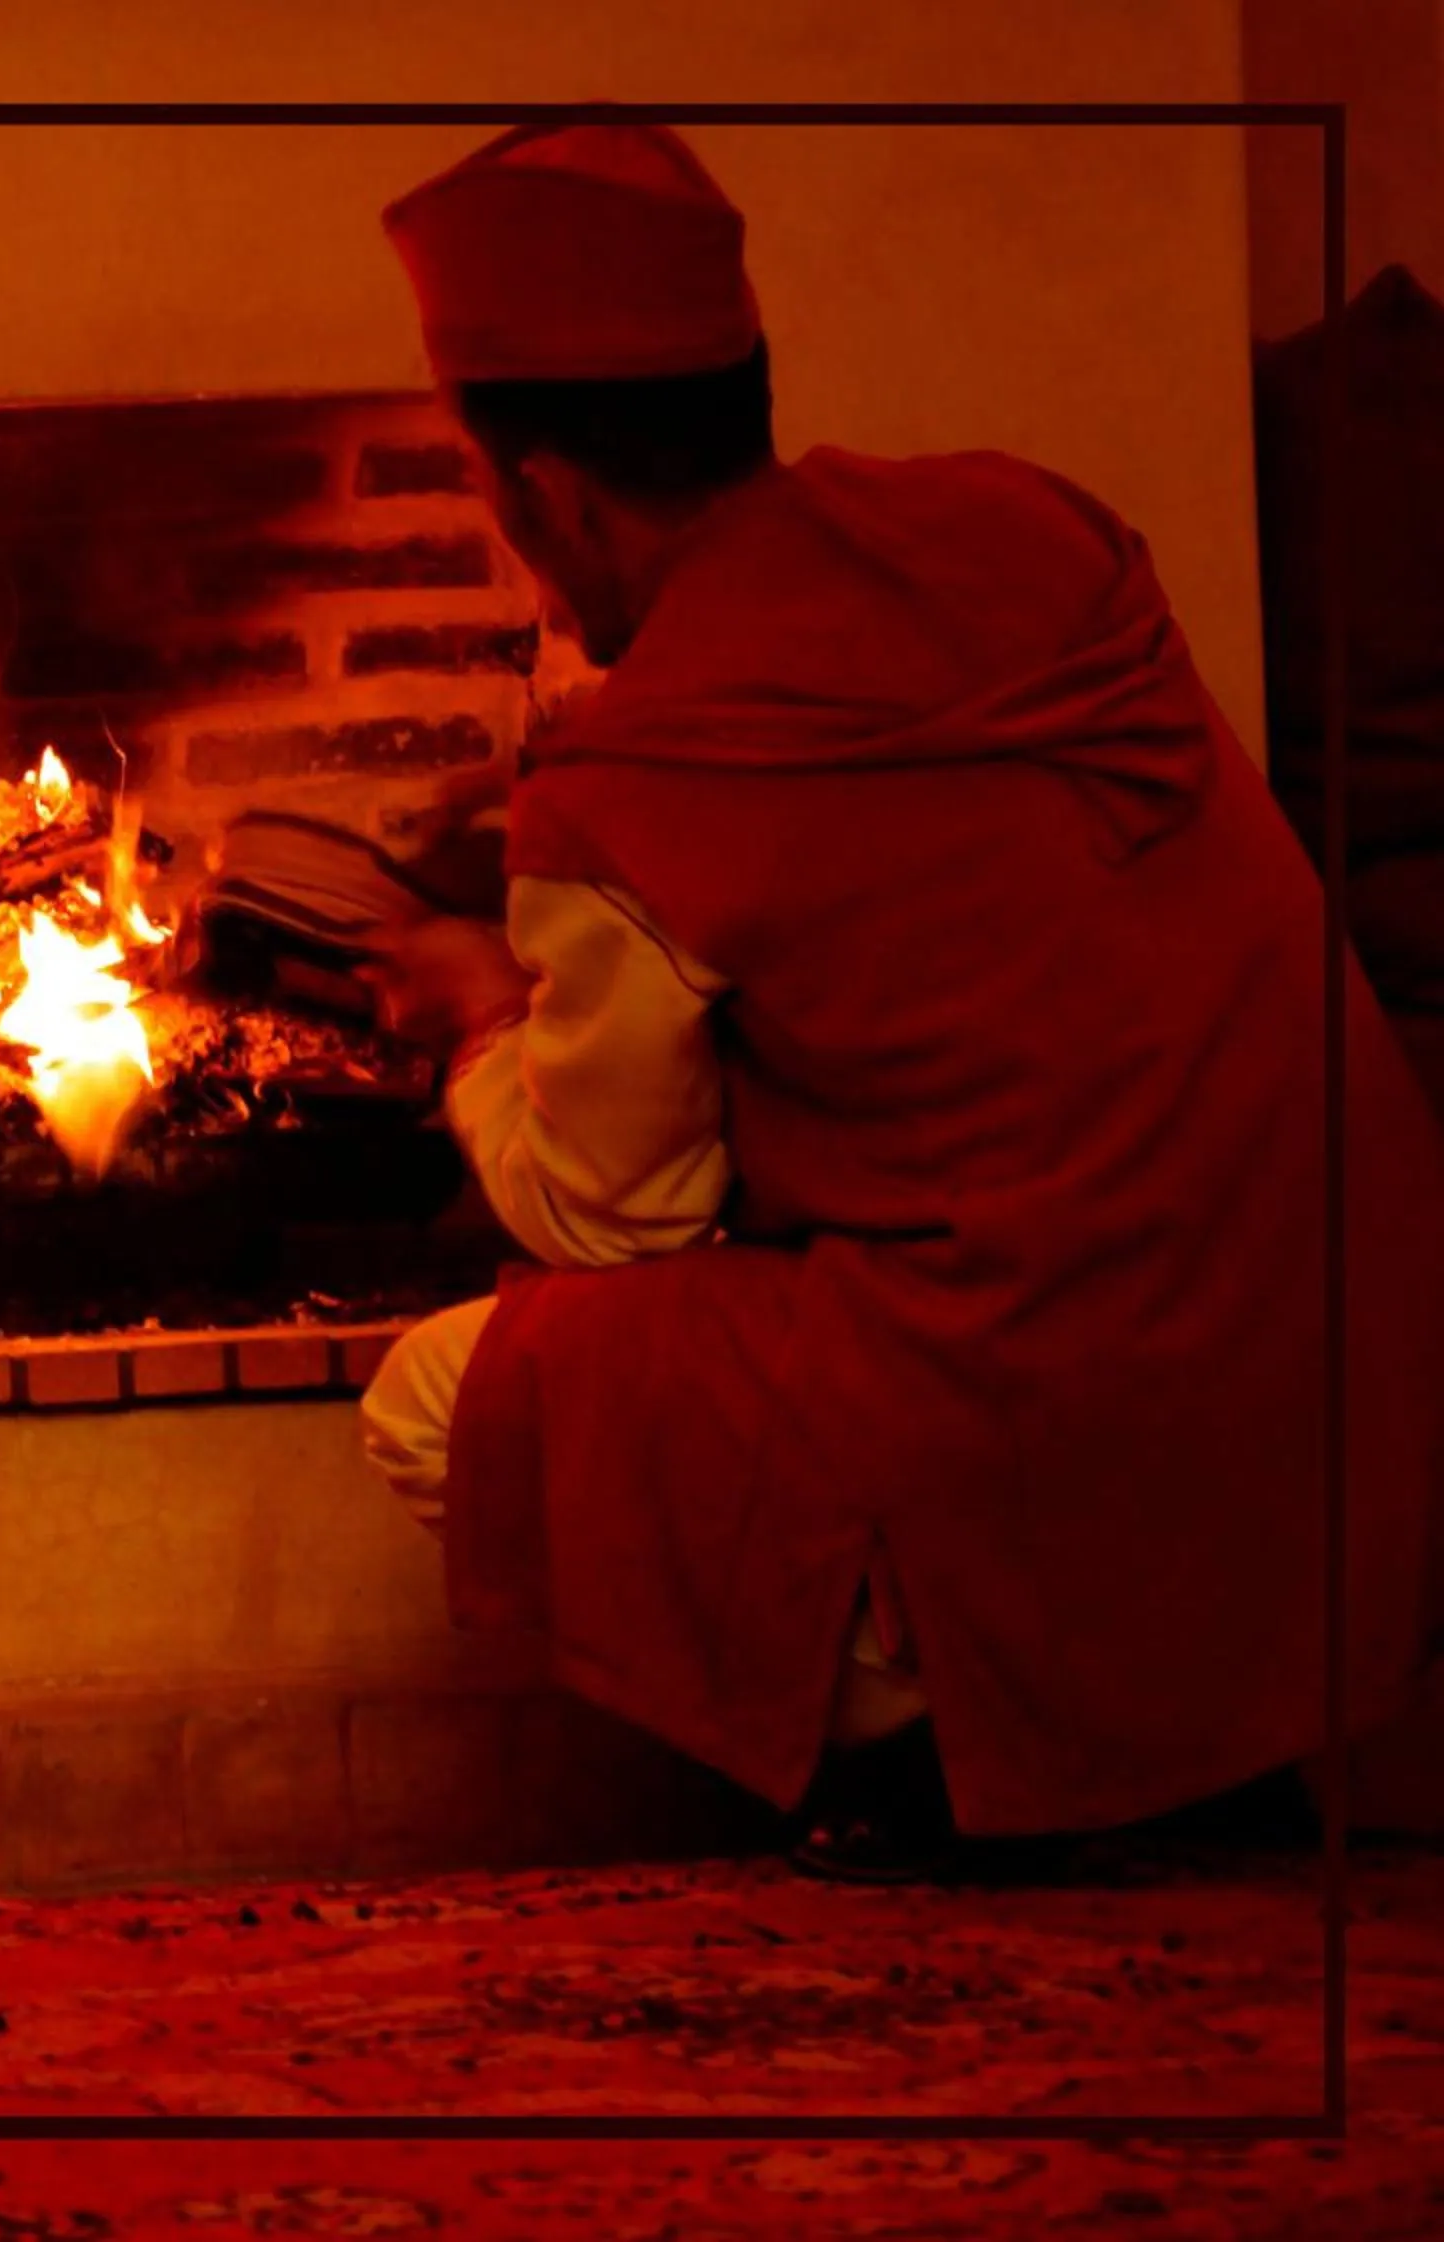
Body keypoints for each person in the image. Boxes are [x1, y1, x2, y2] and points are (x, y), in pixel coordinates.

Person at [354, 118, 1444, 1882]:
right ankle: (1197, 1739)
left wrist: (488, 1022)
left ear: (546, 494)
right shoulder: (1025, 527)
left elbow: (617, 1217)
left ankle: (972, 1761)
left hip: (1055, 1392)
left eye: (500, 513)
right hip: (1347, 1374)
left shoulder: (642, 778)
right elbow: (945, 907)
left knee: (445, 1396)